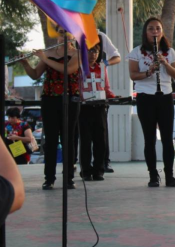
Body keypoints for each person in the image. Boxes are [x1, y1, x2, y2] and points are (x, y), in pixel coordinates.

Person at [20, 27, 80, 190]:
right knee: (51, 140)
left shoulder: (77, 54)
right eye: (61, 33)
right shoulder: (49, 54)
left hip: (70, 99)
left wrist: (44, 58)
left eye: (67, 32)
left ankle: (68, 178)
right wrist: (25, 63)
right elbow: (35, 74)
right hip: (49, 99)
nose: (64, 36)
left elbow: (67, 70)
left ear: (73, 35)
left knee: (68, 139)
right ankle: (49, 178)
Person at [127, 17, 175, 188]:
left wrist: (164, 63)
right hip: (145, 97)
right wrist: (149, 72)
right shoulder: (136, 52)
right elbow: (133, 75)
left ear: (162, 31)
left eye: (157, 28)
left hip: (165, 97)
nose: (154, 32)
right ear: (146, 32)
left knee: (167, 138)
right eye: (151, 29)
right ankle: (152, 175)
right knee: (149, 139)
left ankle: (170, 175)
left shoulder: (169, 52)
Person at [79, 44, 116, 181]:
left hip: (100, 106)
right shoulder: (79, 67)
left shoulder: (102, 67)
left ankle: (99, 170)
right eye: (89, 51)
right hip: (84, 107)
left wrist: (111, 96)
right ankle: (86, 170)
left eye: (95, 51)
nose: (92, 54)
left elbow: (106, 86)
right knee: (86, 140)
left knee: (100, 140)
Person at [98, 30, 121, 174]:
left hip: (100, 90)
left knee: (102, 131)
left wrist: (104, 63)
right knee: (77, 132)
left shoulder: (100, 36)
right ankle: (73, 162)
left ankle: (104, 162)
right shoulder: (72, 35)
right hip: (79, 89)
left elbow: (116, 56)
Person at [0, 140, 25, 237]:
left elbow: (28, 137)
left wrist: (17, 137)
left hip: (18, 152)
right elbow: (16, 193)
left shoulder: (24, 126)